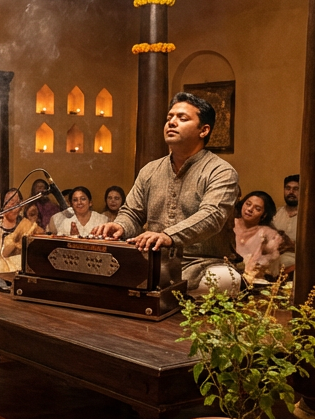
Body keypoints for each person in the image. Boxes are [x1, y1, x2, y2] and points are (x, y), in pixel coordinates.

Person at [94, 93, 242, 296]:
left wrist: (168, 236)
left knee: (224, 281)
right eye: (169, 117)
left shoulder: (220, 171)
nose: (171, 122)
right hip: (154, 261)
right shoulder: (150, 170)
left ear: (204, 130)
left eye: (182, 118)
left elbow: (212, 216)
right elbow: (133, 213)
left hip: (203, 263)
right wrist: (119, 226)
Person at [233, 191, 284, 282]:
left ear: (264, 215)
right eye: (248, 204)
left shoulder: (268, 233)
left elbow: (271, 266)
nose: (249, 209)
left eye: (257, 208)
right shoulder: (229, 224)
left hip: (254, 280)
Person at [272, 174, 299, 273]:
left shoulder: (308, 217)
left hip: (297, 266)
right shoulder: (276, 214)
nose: (291, 192)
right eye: (288, 188)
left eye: (296, 189)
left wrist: (293, 246)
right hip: (273, 265)